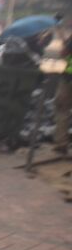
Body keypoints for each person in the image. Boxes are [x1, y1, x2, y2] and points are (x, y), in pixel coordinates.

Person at [54, 28, 72, 156]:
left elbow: (64, 54)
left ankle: (61, 143)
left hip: (69, 78)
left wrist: (64, 43)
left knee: (62, 108)